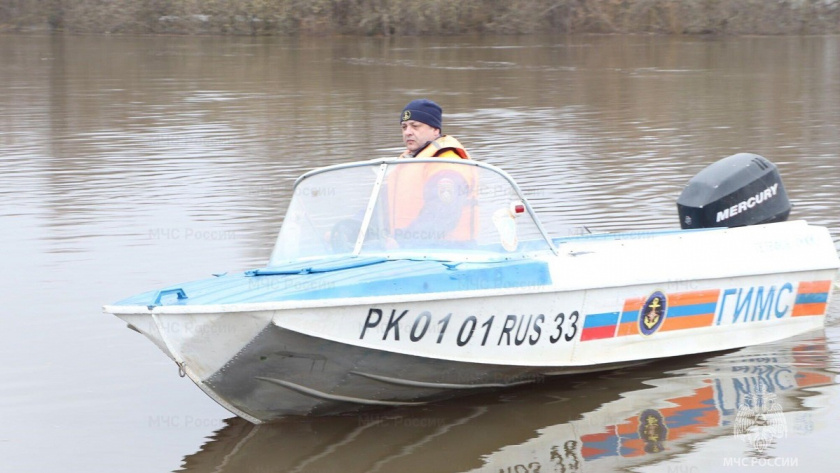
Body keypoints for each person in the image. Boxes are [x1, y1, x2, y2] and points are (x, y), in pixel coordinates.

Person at [399, 99, 471, 159]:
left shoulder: (447, 160)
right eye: (404, 127)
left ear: (435, 130)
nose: (407, 132)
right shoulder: (407, 158)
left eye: (415, 126)